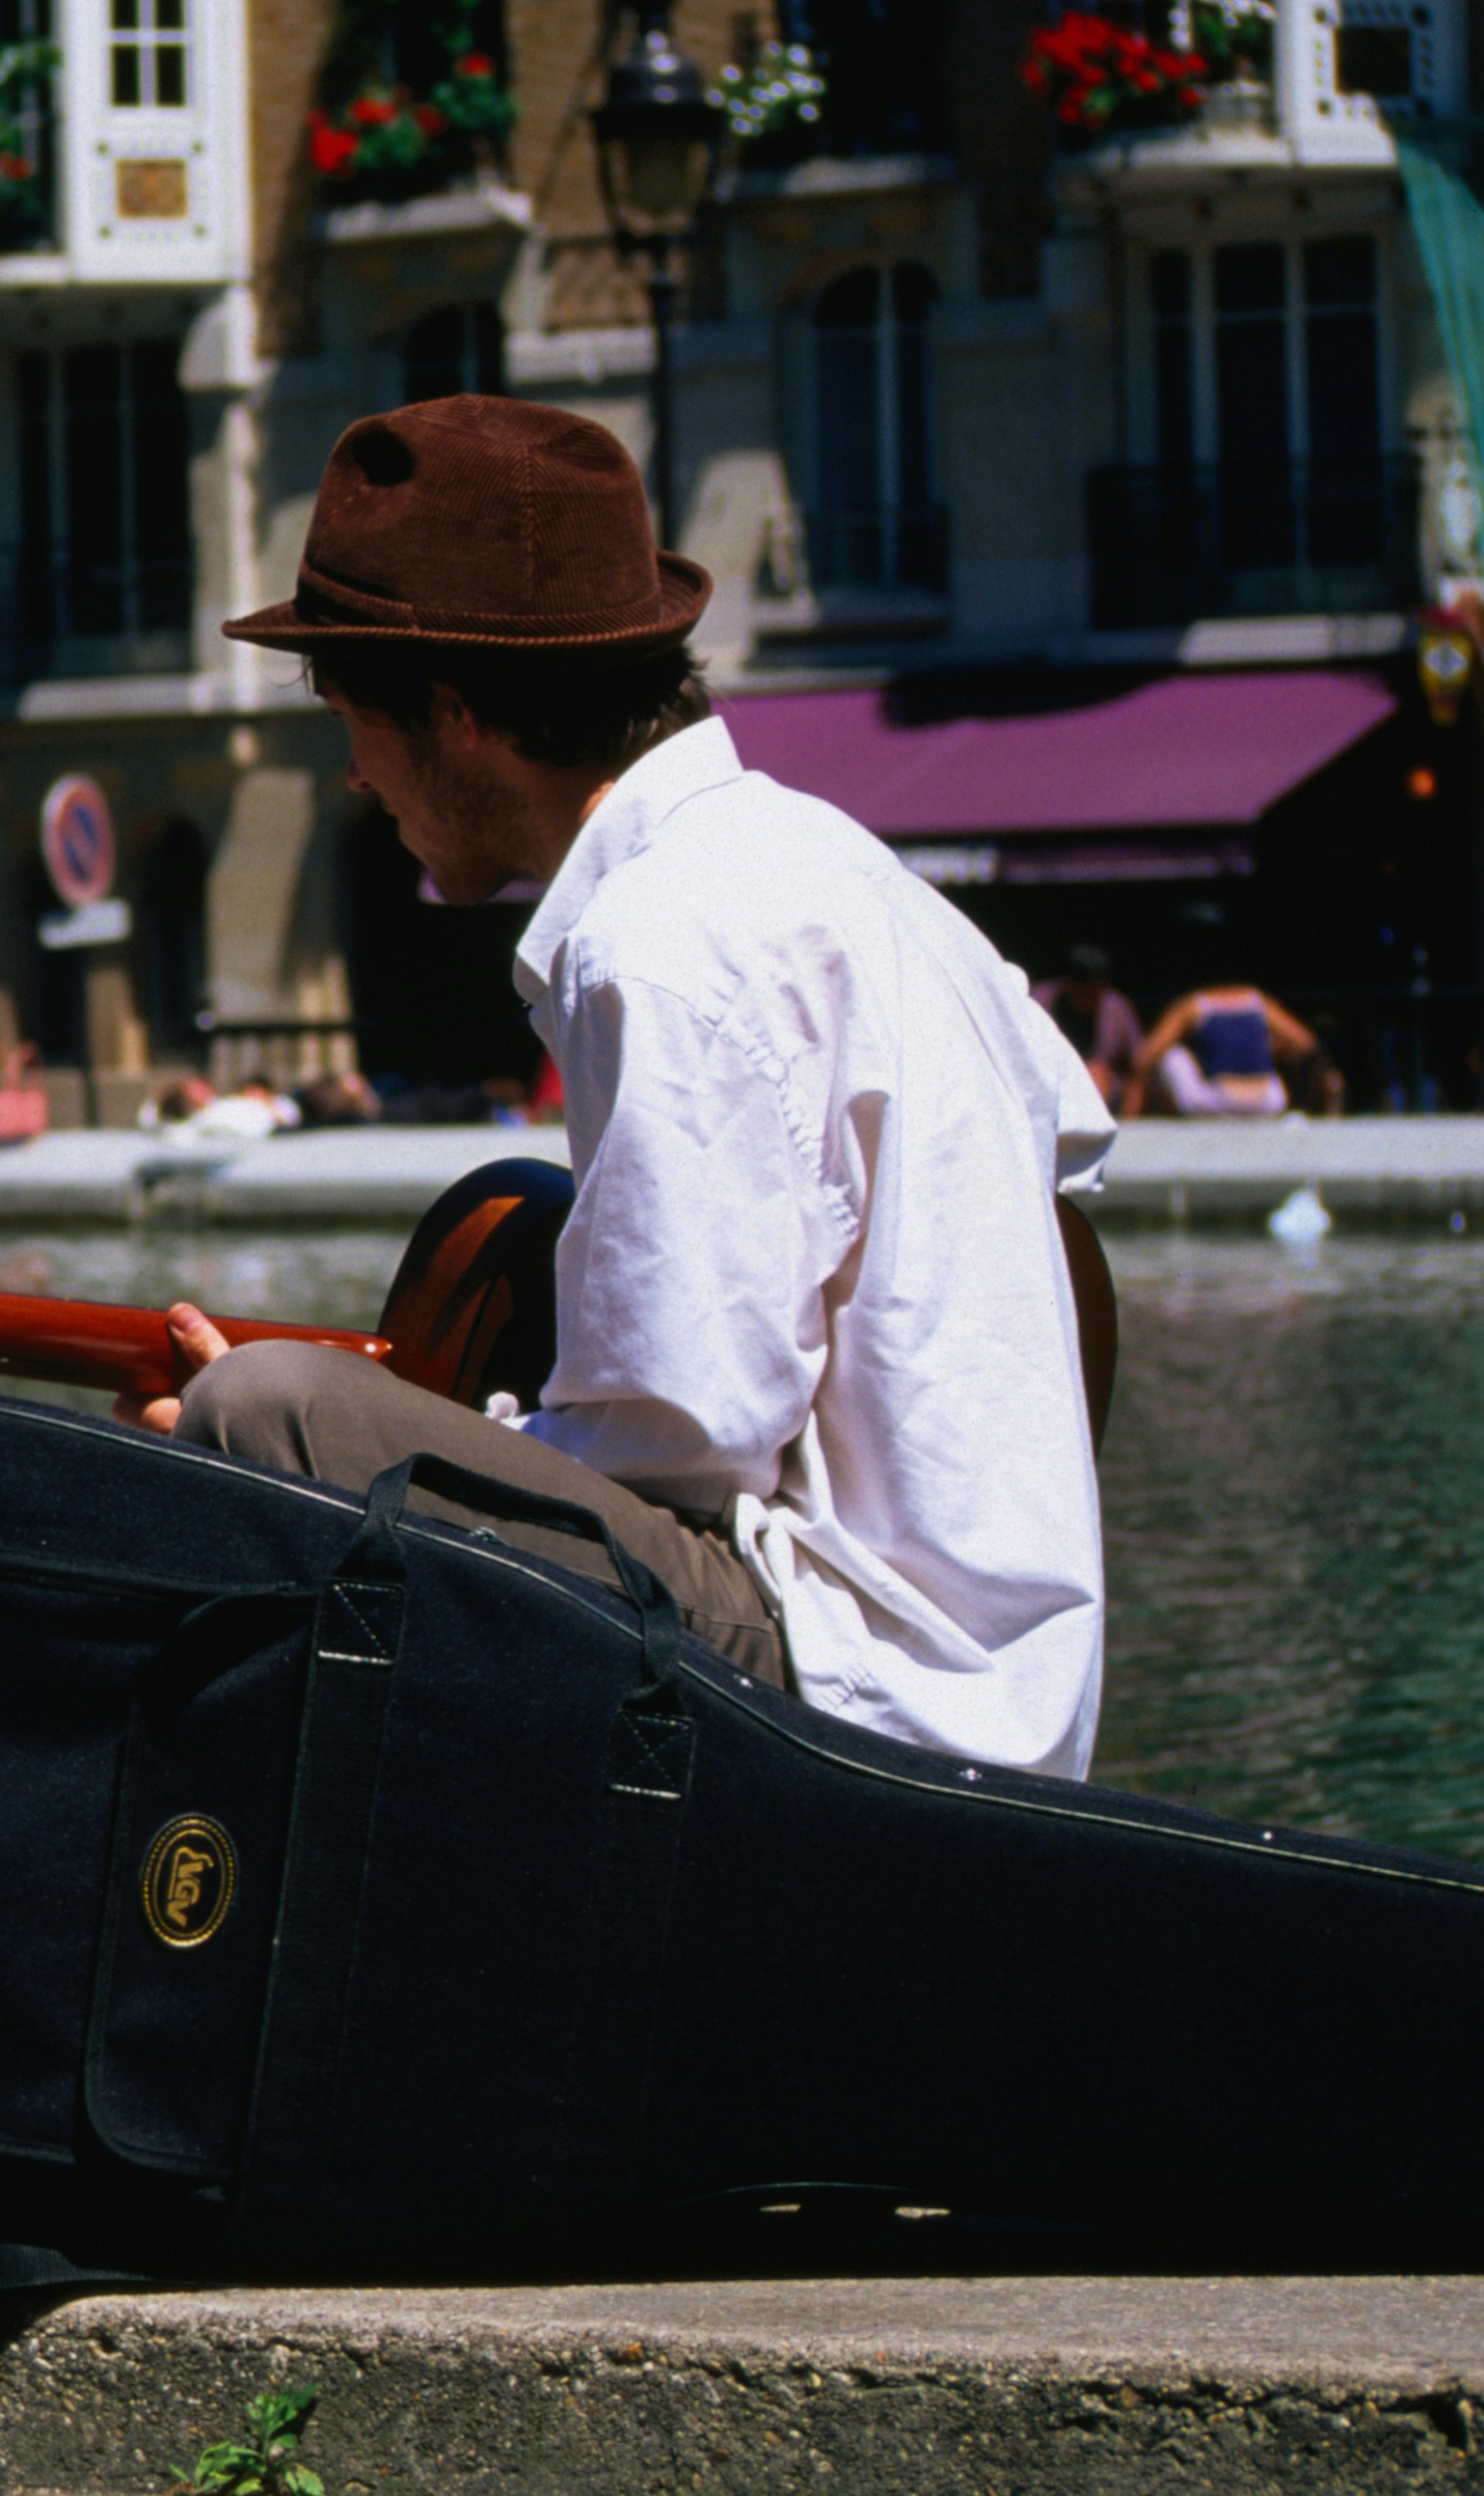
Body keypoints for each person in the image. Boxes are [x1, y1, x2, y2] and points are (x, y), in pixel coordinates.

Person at [118, 393, 1117, 1779]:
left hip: (855, 1687)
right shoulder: (826, 860)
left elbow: (670, 1440)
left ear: (456, 715)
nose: (351, 778)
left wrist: (296, 1462)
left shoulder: (653, 937)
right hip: (1014, 1681)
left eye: (354, 722)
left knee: (265, 1408)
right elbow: (1073, 1146)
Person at [1130, 982, 1336, 1120]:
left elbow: (1145, 1057)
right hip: (1269, 1102)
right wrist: (1266, 1047)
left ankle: (1166, 1122)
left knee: (1171, 1056)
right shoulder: (1257, 1002)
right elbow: (1306, 1043)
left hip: (1218, 1103)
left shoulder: (1195, 1005)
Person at [1034, 945, 1144, 1107]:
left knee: (1096, 1072)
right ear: (1069, 983)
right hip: (1047, 1086)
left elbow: (1137, 1069)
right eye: (1090, 988)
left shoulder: (1116, 1008)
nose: (1096, 995)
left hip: (1104, 1090)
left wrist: (1131, 1124)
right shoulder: (1038, 1003)